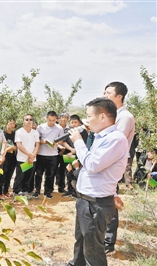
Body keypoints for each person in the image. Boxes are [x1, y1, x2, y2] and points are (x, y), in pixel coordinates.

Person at [67, 97, 128, 266]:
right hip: (85, 200)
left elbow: (93, 165)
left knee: (93, 250)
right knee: (80, 243)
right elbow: (105, 170)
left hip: (96, 203)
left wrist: (78, 142)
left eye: (89, 116)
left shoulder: (115, 139)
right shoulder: (100, 137)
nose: (86, 121)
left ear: (102, 117)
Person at [103, 81, 135, 255]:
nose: (105, 95)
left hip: (113, 164)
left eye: (108, 93)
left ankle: (108, 243)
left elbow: (115, 143)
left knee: (110, 200)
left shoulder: (125, 117)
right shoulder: (114, 115)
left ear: (119, 96)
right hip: (108, 163)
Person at [33, 111, 65, 199]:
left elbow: (61, 141)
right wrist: (45, 141)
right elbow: (37, 140)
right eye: (50, 120)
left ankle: (48, 192)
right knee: (39, 174)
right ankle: (37, 191)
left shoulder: (59, 128)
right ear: (46, 118)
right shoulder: (40, 127)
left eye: (53, 120)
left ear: (56, 119)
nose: (51, 122)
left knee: (50, 175)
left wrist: (56, 142)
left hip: (53, 155)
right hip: (41, 154)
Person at [13, 114, 39, 198]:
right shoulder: (19, 132)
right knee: (20, 177)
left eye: (30, 119)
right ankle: (16, 193)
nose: (29, 121)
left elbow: (37, 145)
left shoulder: (35, 132)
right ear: (23, 121)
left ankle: (25, 191)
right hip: (22, 159)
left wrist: (33, 156)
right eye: (26, 119)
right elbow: (19, 145)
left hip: (32, 159)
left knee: (28, 176)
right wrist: (29, 154)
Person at [62, 115, 88, 197]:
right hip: (68, 154)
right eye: (72, 122)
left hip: (78, 155)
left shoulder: (83, 131)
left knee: (77, 172)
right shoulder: (67, 130)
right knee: (68, 171)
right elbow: (64, 142)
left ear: (79, 123)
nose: (73, 124)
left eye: (75, 122)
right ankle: (69, 190)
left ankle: (76, 191)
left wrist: (74, 151)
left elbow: (84, 144)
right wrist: (70, 150)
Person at [0, 119, 17, 197]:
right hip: (4, 157)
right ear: (6, 124)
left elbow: (17, 146)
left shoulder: (15, 134)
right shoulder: (2, 134)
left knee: (9, 175)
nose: (12, 125)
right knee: (2, 175)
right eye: (10, 123)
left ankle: (6, 191)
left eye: (13, 124)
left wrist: (13, 148)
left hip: (13, 158)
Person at [55, 112, 70, 193]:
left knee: (63, 170)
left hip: (66, 152)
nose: (64, 119)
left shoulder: (69, 129)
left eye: (66, 118)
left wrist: (64, 150)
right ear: (59, 119)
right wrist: (59, 148)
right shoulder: (55, 127)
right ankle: (50, 187)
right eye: (62, 117)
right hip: (54, 151)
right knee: (52, 169)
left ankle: (61, 187)